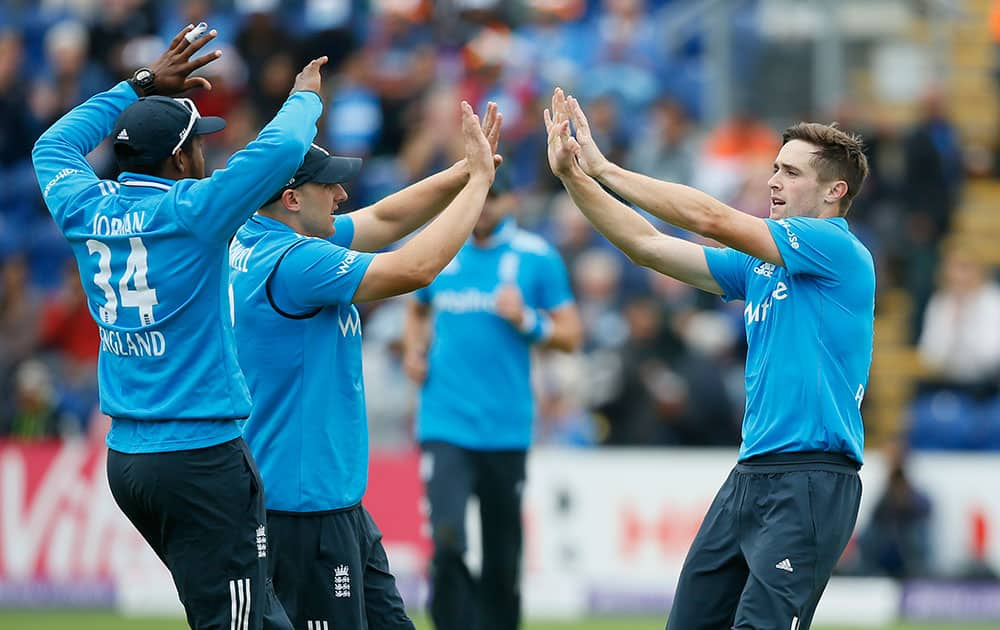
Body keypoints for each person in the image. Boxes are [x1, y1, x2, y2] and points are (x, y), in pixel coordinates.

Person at [31, 23, 332, 630]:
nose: (206, 154)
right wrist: (306, 97)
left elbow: (52, 148)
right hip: (199, 457)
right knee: (239, 621)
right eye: (200, 144)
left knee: (251, 613)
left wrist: (135, 87)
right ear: (177, 157)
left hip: (129, 462)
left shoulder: (84, 209)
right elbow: (277, 154)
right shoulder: (192, 213)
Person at [545, 88, 874, 630]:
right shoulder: (760, 266)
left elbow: (710, 217)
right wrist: (574, 179)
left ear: (834, 191)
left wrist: (603, 166)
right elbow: (647, 246)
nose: (773, 180)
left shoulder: (837, 248)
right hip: (750, 474)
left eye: (791, 173)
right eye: (774, 168)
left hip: (811, 480)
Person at [229, 101, 502, 630]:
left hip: (325, 499)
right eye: (328, 186)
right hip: (304, 508)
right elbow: (417, 267)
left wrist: (465, 168)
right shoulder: (298, 262)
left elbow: (385, 218)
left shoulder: (260, 238)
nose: (341, 194)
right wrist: (479, 188)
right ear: (290, 198)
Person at [401, 174, 583, 630]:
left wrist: (528, 320)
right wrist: (413, 349)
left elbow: (571, 335)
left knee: (503, 553)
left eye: (492, 198)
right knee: (446, 540)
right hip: (445, 422)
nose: (482, 209)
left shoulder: (536, 258)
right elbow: (417, 307)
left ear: (511, 201)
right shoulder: (442, 251)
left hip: (506, 426)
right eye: (476, 198)